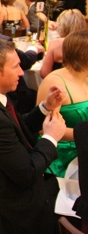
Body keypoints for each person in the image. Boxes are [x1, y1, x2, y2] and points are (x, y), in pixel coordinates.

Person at [0, 38, 66, 234]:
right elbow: (27, 174)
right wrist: (51, 138)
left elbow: (17, 127)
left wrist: (45, 107)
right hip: (25, 206)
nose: (21, 72)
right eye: (16, 66)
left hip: (21, 185)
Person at [38, 30, 88, 178]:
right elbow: (44, 129)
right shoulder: (55, 82)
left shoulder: (85, 77)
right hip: (62, 158)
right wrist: (83, 135)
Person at [41, 9, 86, 78]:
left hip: (59, 84)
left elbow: (44, 73)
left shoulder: (55, 44)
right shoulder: (85, 43)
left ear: (62, 25)